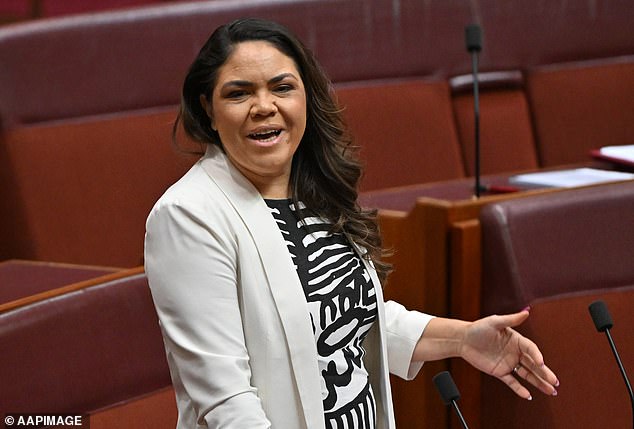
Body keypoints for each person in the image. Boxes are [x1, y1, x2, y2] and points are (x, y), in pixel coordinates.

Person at [144, 18, 559, 429]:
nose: (265, 106)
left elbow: (350, 320)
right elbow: (226, 403)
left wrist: (463, 339)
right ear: (208, 111)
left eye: (282, 87)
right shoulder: (187, 217)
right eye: (239, 93)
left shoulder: (311, 190)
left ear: (306, 97)